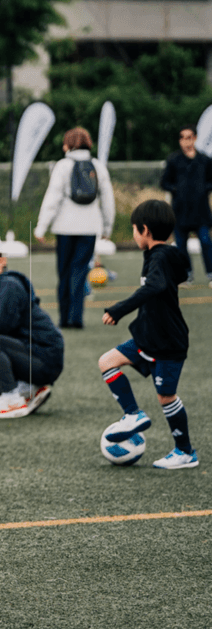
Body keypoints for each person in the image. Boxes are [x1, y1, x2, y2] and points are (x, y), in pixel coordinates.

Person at [98, 200, 197, 470]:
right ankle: (133, 414)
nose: (133, 234)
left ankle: (185, 452)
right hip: (147, 337)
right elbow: (181, 273)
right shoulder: (164, 254)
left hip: (167, 342)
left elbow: (155, 285)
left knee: (166, 397)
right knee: (107, 362)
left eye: (133, 229)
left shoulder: (160, 256)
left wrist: (119, 309)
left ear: (144, 230)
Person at [0, 235, 64, 419]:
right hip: (36, 355)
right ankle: (26, 389)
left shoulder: (9, 285)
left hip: (44, 359)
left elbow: (1, 326)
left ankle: (11, 398)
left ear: (2, 260)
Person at [33, 127, 114, 329]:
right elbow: (107, 199)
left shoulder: (63, 166)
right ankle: (76, 317)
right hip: (90, 227)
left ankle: (63, 318)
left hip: (64, 227)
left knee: (64, 272)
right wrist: (107, 227)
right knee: (79, 271)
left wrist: (42, 227)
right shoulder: (98, 166)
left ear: (68, 145)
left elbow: (52, 198)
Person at [160, 125, 212, 288]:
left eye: (189, 137)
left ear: (195, 138)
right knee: (181, 246)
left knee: (206, 242)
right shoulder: (174, 160)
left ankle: (211, 273)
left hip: (201, 211)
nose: (186, 141)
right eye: (182, 137)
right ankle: (186, 274)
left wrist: (203, 189)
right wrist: (177, 189)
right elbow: (164, 182)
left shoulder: (204, 160)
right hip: (180, 212)